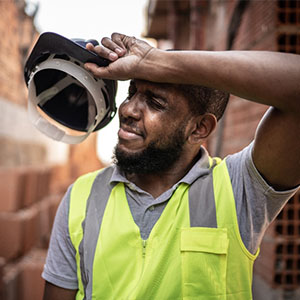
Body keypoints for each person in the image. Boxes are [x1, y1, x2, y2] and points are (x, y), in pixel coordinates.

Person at [42, 33, 300, 300]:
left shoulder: (237, 191)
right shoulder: (81, 197)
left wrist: (155, 61)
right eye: (132, 93)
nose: (128, 109)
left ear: (199, 128)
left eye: (155, 103)